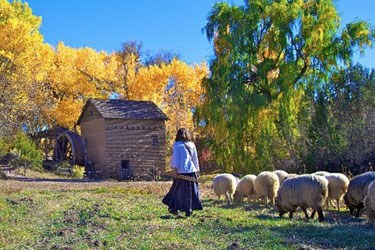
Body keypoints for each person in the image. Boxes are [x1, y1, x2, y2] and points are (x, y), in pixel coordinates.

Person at [162, 128, 203, 217]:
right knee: (191, 192)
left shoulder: (177, 145)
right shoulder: (192, 145)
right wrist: (197, 171)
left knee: (178, 192)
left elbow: (176, 158)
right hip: (192, 172)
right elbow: (195, 159)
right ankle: (189, 210)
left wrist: (175, 170)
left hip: (181, 172)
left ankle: (174, 208)